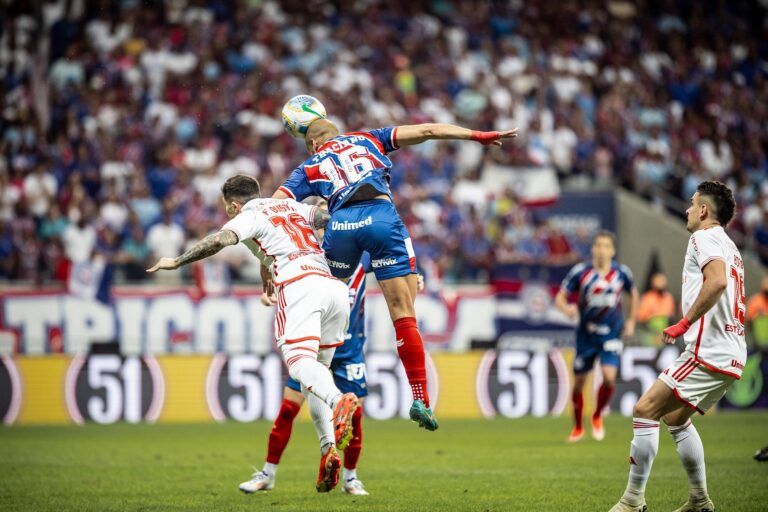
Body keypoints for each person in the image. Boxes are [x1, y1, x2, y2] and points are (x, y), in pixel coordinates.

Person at [271, 118, 517, 431]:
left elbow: (273, 210)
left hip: (341, 225)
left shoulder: (308, 166)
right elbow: (428, 131)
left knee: (321, 297)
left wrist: (268, 263)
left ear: (314, 144)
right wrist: (478, 135)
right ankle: (421, 399)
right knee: (404, 314)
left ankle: (314, 378)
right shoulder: (368, 138)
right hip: (381, 217)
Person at [147, 175, 358, 493]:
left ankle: (339, 400)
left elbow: (220, 240)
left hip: (300, 288)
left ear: (233, 204)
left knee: (300, 365)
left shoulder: (248, 216)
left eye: (226, 208)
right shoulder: (290, 205)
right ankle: (328, 447)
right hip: (333, 288)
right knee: (316, 375)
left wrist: (177, 261)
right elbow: (325, 216)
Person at [609, 181, 747, 512]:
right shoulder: (731, 247)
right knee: (675, 419)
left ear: (703, 210)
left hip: (707, 351)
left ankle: (632, 501)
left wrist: (684, 323)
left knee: (644, 410)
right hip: (731, 352)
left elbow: (716, 282)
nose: (686, 209)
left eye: (691, 203)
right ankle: (699, 500)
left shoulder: (703, 237)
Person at [555, 230, 639, 442]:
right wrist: (567, 310)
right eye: (598, 245)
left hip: (611, 334)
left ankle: (597, 415)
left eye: (605, 246)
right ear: (593, 249)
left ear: (612, 251)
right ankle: (577, 427)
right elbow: (560, 297)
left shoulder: (622, 273)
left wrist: (630, 321)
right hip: (586, 335)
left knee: (609, 378)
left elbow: (634, 294)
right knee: (579, 382)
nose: (601, 250)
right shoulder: (581, 272)